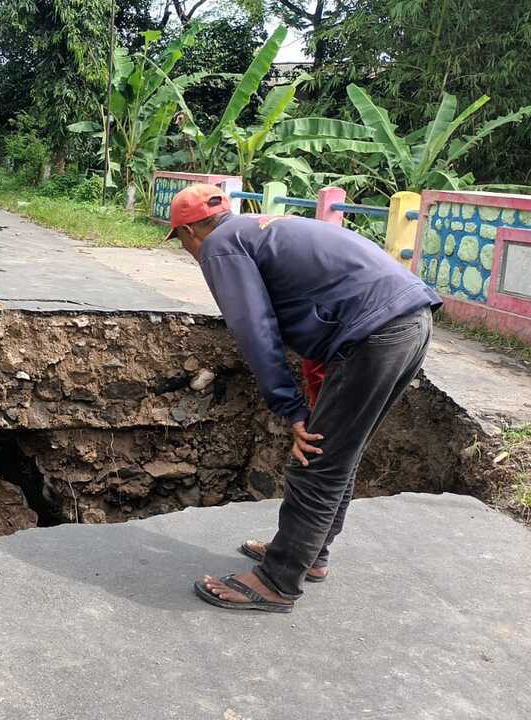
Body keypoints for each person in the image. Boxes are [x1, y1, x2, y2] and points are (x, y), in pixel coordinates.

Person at [167, 183, 442, 613]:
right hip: (408, 321)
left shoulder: (220, 245)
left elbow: (255, 331)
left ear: (189, 232)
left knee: (315, 460)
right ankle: (308, 555)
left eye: (182, 242)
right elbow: (317, 315)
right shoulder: (259, 229)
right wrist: (309, 404)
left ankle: (277, 581)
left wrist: (289, 408)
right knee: (336, 452)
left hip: (377, 333)